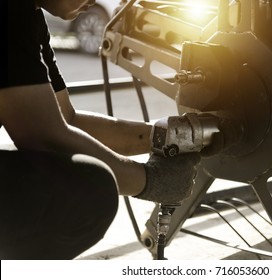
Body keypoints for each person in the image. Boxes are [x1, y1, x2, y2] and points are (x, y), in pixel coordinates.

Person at [0, 0, 200, 259]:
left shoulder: (30, 17)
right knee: (90, 191)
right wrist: (151, 181)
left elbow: (66, 119)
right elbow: (42, 136)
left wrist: (163, 136)